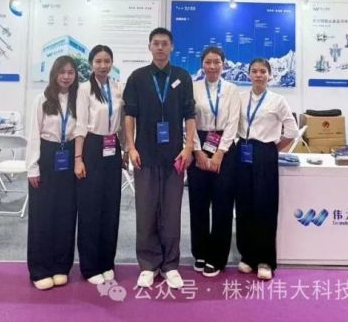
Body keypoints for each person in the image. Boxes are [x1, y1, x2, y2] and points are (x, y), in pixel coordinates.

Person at [123, 27, 196, 289]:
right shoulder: (138, 77)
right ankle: (148, 264)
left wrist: (188, 148)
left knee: (171, 212)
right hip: (145, 155)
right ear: (149, 47)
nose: (160, 48)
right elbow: (129, 115)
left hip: (175, 156)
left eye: (165, 43)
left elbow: (190, 115)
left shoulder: (182, 77)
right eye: (156, 43)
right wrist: (131, 147)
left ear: (172, 47)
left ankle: (170, 265)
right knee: (146, 211)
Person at [235, 57, 296, 281]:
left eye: (263, 71)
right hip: (243, 152)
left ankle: (265, 260)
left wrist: (271, 149)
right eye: (254, 71)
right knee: (244, 206)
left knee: (265, 207)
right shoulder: (240, 98)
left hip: (264, 154)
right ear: (248, 74)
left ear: (269, 75)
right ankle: (247, 256)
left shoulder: (278, 101)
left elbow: (292, 131)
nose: (258, 75)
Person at [26, 55, 79, 290]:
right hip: (47, 157)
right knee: (43, 215)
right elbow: (33, 135)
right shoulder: (42, 99)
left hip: (69, 156)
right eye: (62, 72)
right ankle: (40, 269)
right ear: (54, 74)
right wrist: (33, 167)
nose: (66, 76)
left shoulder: (78, 100)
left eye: (71, 72)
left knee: (66, 215)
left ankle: (61, 266)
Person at [189, 46, 240, 278]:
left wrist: (220, 153)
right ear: (202, 64)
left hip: (224, 147)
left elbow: (233, 122)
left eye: (216, 62)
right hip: (198, 142)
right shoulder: (193, 87)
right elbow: (188, 120)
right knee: (198, 203)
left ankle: (217, 257)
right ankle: (200, 252)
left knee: (222, 204)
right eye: (208, 62)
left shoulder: (232, 89)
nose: (212, 66)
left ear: (223, 64)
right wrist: (197, 151)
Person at [74, 45, 123, 285]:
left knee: (111, 207)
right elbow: (80, 125)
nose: (103, 65)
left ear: (112, 62)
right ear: (91, 63)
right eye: (98, 61)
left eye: (107, 61)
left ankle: (106, 262)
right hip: (92, 147)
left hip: (113, 147)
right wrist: (78, 158)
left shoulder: (117, 87)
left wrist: (126, 149)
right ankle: (90, 266)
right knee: (90, 208)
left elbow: (122, 121)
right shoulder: (84, 89)